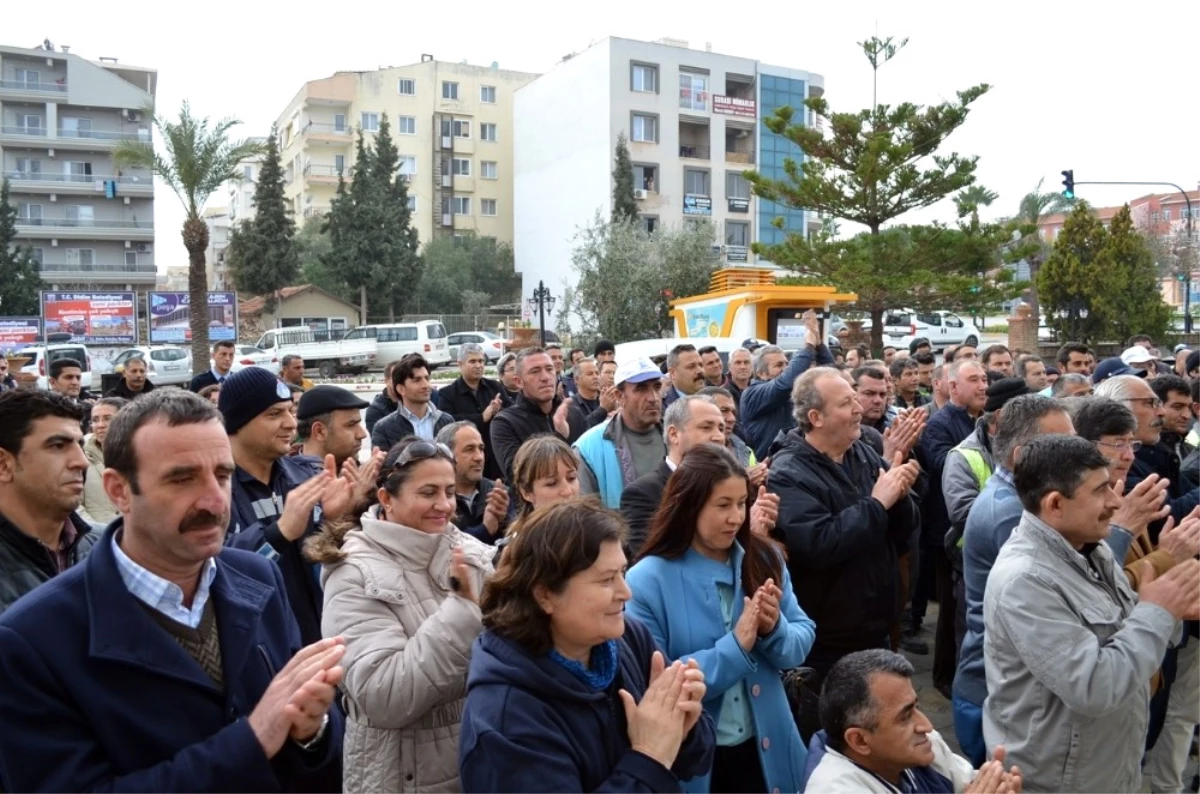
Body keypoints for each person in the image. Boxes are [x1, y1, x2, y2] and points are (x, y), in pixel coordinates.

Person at [0, 389, 344, 793]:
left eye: (222, 474)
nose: (214, 501)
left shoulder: (258, 577)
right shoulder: (30, 640)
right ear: (118, 491)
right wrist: (250, 741)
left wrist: (313, 731)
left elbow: (307, 741)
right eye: (182, 478)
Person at [982, 433, 1200, 792]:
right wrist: (1157, 611)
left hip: (1107, 764)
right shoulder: (1024, 580)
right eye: (1101, 491)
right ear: (1055, 504)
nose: (1116, 502)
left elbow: (1128, 629)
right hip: (1062, 779)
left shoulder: (1090, 548)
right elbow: (1095, 687)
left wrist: (1170, 608)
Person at [459, 502, 717, 792]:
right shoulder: (504, 720)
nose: (626, 592)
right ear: (545, 595)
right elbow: (655, 760)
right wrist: (650, 756)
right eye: (606, 581)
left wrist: (684, 726)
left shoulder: (625, 636)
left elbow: (697, 758)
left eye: (623, 572)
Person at [627, 444, 815, 794]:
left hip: (769, 750)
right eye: (723, 506)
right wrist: (736, 647)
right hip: (695, 763)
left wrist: (775, 629)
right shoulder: (645, 580)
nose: (736, 517)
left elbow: (800, 642)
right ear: (688, 506)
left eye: (742, 503)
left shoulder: (764, 558)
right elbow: (653, 684)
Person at [308, 438, 493, 794]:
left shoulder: (471, 553)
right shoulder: (353, 572)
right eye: (428, 492)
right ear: (386, 499)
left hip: (474, 757)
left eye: (450, 492)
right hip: (401, 773)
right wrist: (462, 614)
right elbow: (385, 695)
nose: (444, 505)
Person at [769, 366, 921, 742]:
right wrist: (877, 503)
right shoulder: (788, 472)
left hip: (875, 629)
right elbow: (820, 544)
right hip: (827, 644)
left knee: (881, 734)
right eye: (846, 402)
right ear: (815, 418)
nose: (858, 408)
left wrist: (900, 497)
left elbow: (904, 532)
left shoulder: (864, 453)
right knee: (833, 739)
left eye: (856, 398)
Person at [952, 395, 1075, 765]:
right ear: (1022, 455)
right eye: (1064, 445)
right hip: (992, 691)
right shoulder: (1011, 512)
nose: (1077, 453)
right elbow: (1068, 593)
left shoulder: (1021, 499)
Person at [221, 367, 362, 645]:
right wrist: (279, 533)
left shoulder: (305, 478)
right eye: (274, 414)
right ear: (237, 423)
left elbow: (325, 565)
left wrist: (336, 522)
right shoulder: (215, 489)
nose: (291, 424)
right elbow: (219, 572)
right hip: (256, 651)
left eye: (290, 411)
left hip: (318, 644)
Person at [806, 650, 1020, 793]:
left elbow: (968, 783)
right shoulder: (833, 788)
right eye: (905, 716)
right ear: (860, 740)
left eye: (916, 707)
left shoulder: (922, 746)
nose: (927, 726)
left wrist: (997, 785)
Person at [0, 390, 97, 614]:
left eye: (79, 444)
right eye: (57, 446)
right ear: (4, 464)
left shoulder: (107, 549)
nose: (81, 462)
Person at [619, 396, 728, 556]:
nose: (718, 436)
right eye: (706, 427)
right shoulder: (642, 494)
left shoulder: (729, 487)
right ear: (674, 434)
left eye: (721, 429)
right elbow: (645, 559)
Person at [575, 357, 667, 508]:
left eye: (657, 387)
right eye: (641, 389)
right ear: (619, 396)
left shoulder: (677, 436)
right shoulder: (589, 447)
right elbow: (585, 515)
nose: (653, 398)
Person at [742, 312, 833, 460]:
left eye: (787, 364)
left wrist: (819, 344)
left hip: (801, 464)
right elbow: (785, 383)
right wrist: (808, 346)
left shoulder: (792, 391)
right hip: (771, 470)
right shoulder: (752, 394)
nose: (785, 368)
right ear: (761, 373)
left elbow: (830, 374)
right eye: (779, 365)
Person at [489, 347, 587, 483]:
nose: (545, 377)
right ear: (518, 381)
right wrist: (559, 437)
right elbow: (518, 476)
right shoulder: (505, 423)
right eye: (535, 372)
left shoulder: (573, 413)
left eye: (549, 369)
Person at [438, 343, 508, 480]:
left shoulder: (495, 387)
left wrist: (500, 410)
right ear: (460, 364)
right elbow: (447, 424)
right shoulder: (447, 394)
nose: (478, 365)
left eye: (481, 361)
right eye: (473, 361)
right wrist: (482, 417)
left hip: (496, 459)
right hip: (465, 464)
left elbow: (512, 412)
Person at [438, 420, 510, 545]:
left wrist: (504, 520)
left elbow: (518, 537)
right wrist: (485, 529)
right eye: (469, 449)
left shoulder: (499, 492)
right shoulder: (437, 500)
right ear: (447, 456)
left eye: (481, 449)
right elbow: (443, 547)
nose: (479, 457)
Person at [371, 353, 456, 450]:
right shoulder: (383, 428)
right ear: (401, 389)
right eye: (417, 380)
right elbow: (384, 463)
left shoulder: (446, 421)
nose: (425, 385)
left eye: (427, 378)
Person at [78, 396, 128, 526]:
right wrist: (96, 533)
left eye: (107, 419)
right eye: (95, 420)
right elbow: (75, 505)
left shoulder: (141, 453)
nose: (100, 425)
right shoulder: (80, 453)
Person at [293, 386, 370, 470]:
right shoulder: (284, 480)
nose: (362, 434)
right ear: (319, 431)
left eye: (358, 423)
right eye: (351, 425)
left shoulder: (363, 475)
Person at [662, 344, 707, 409]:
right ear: (672, 373)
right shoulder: (661, 408)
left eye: (701, 365)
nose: (700, 371)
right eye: (691, 366)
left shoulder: (714, 400)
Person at [364, 360, 400, 434]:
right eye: (397, 378)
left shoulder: (413, 402)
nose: (401, 382)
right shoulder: (375, 410)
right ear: (386, 381)